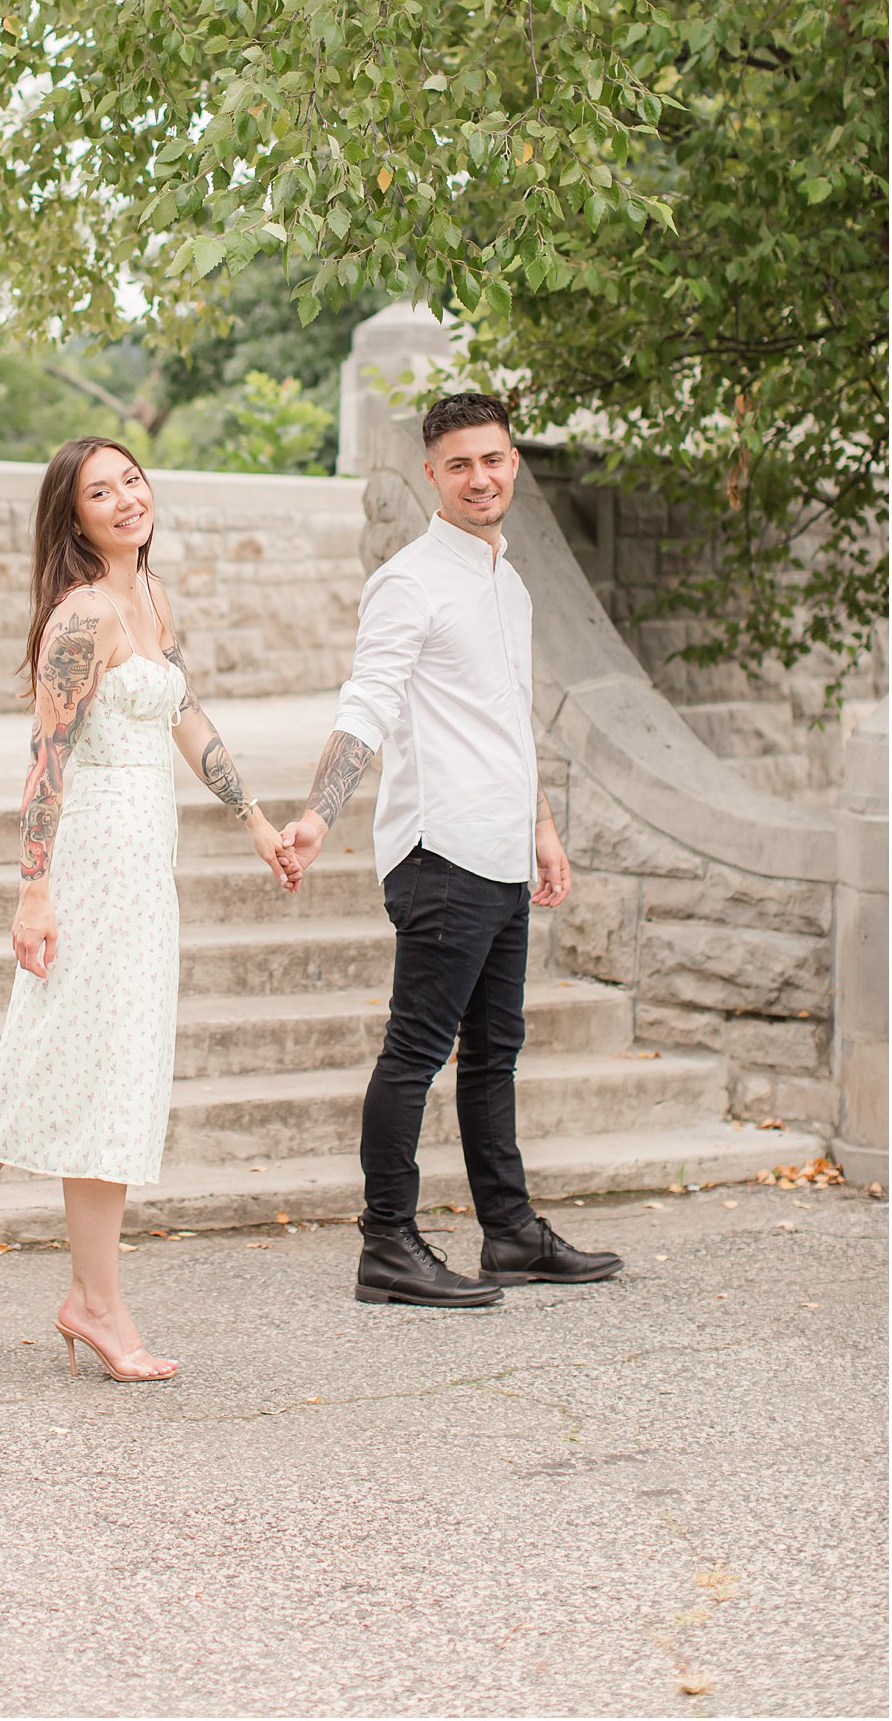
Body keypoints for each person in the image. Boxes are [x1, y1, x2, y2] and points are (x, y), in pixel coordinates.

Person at [0, 436, 297, 1379]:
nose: (125, 498)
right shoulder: (83, 617)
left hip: (148, 866)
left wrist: (254, 816)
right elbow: (46, 759)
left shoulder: (149, 594)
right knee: (55, 1062)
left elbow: (182, 711)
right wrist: (33, 890)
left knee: (107, 1072)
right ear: (74, 516)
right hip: (92, 862)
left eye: (132, 479)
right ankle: (59, 1292)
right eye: (101, 492)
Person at [281, 392, 622, 1307]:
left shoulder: (506, 581)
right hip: (440, 853)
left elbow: (508, 719)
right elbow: (369, 701)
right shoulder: (408, 579)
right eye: (461, 464)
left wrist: (541, 826)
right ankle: (386, 1243)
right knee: (415, 1051)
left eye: (495, 459)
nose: (482, 477)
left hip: (503, 847)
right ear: (432, 474)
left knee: (495, 1051)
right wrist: (319, 813)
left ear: (515, 465)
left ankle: (509, 1233)